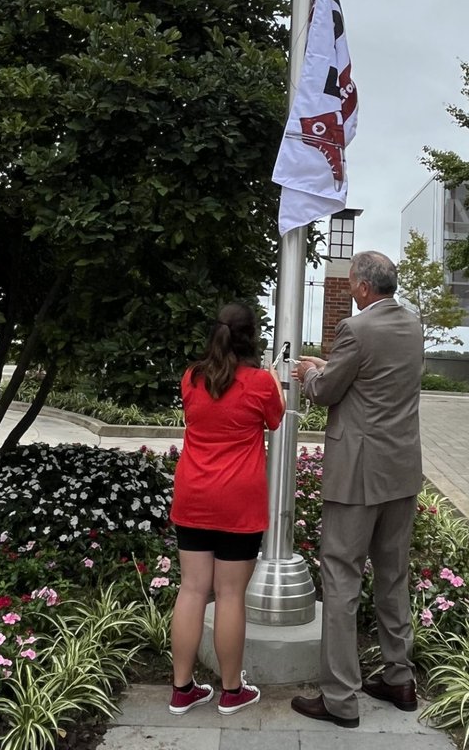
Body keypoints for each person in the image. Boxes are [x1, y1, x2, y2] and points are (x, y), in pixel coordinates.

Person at [291, 250, 424, 729]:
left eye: (351, 283)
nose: (349, 289)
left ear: (365, 288)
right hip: (401, 470)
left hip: (356, 475)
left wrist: (310, 374)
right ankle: (399, 678)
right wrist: (329, 369)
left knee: (342, 579)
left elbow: (328, 393)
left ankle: (340, 698)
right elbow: (373, 381)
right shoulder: (414, 326)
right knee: (392, 575)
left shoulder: (357, 329)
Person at [168, 302, 285, 716]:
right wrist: (273, 380)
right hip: (238, 502)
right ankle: (231, 692)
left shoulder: (191, 377)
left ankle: (182, 690)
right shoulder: (260, 384)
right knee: (231, 594)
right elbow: (276, 418)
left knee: (192, 589)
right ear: (251, 337)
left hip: (193, 496)